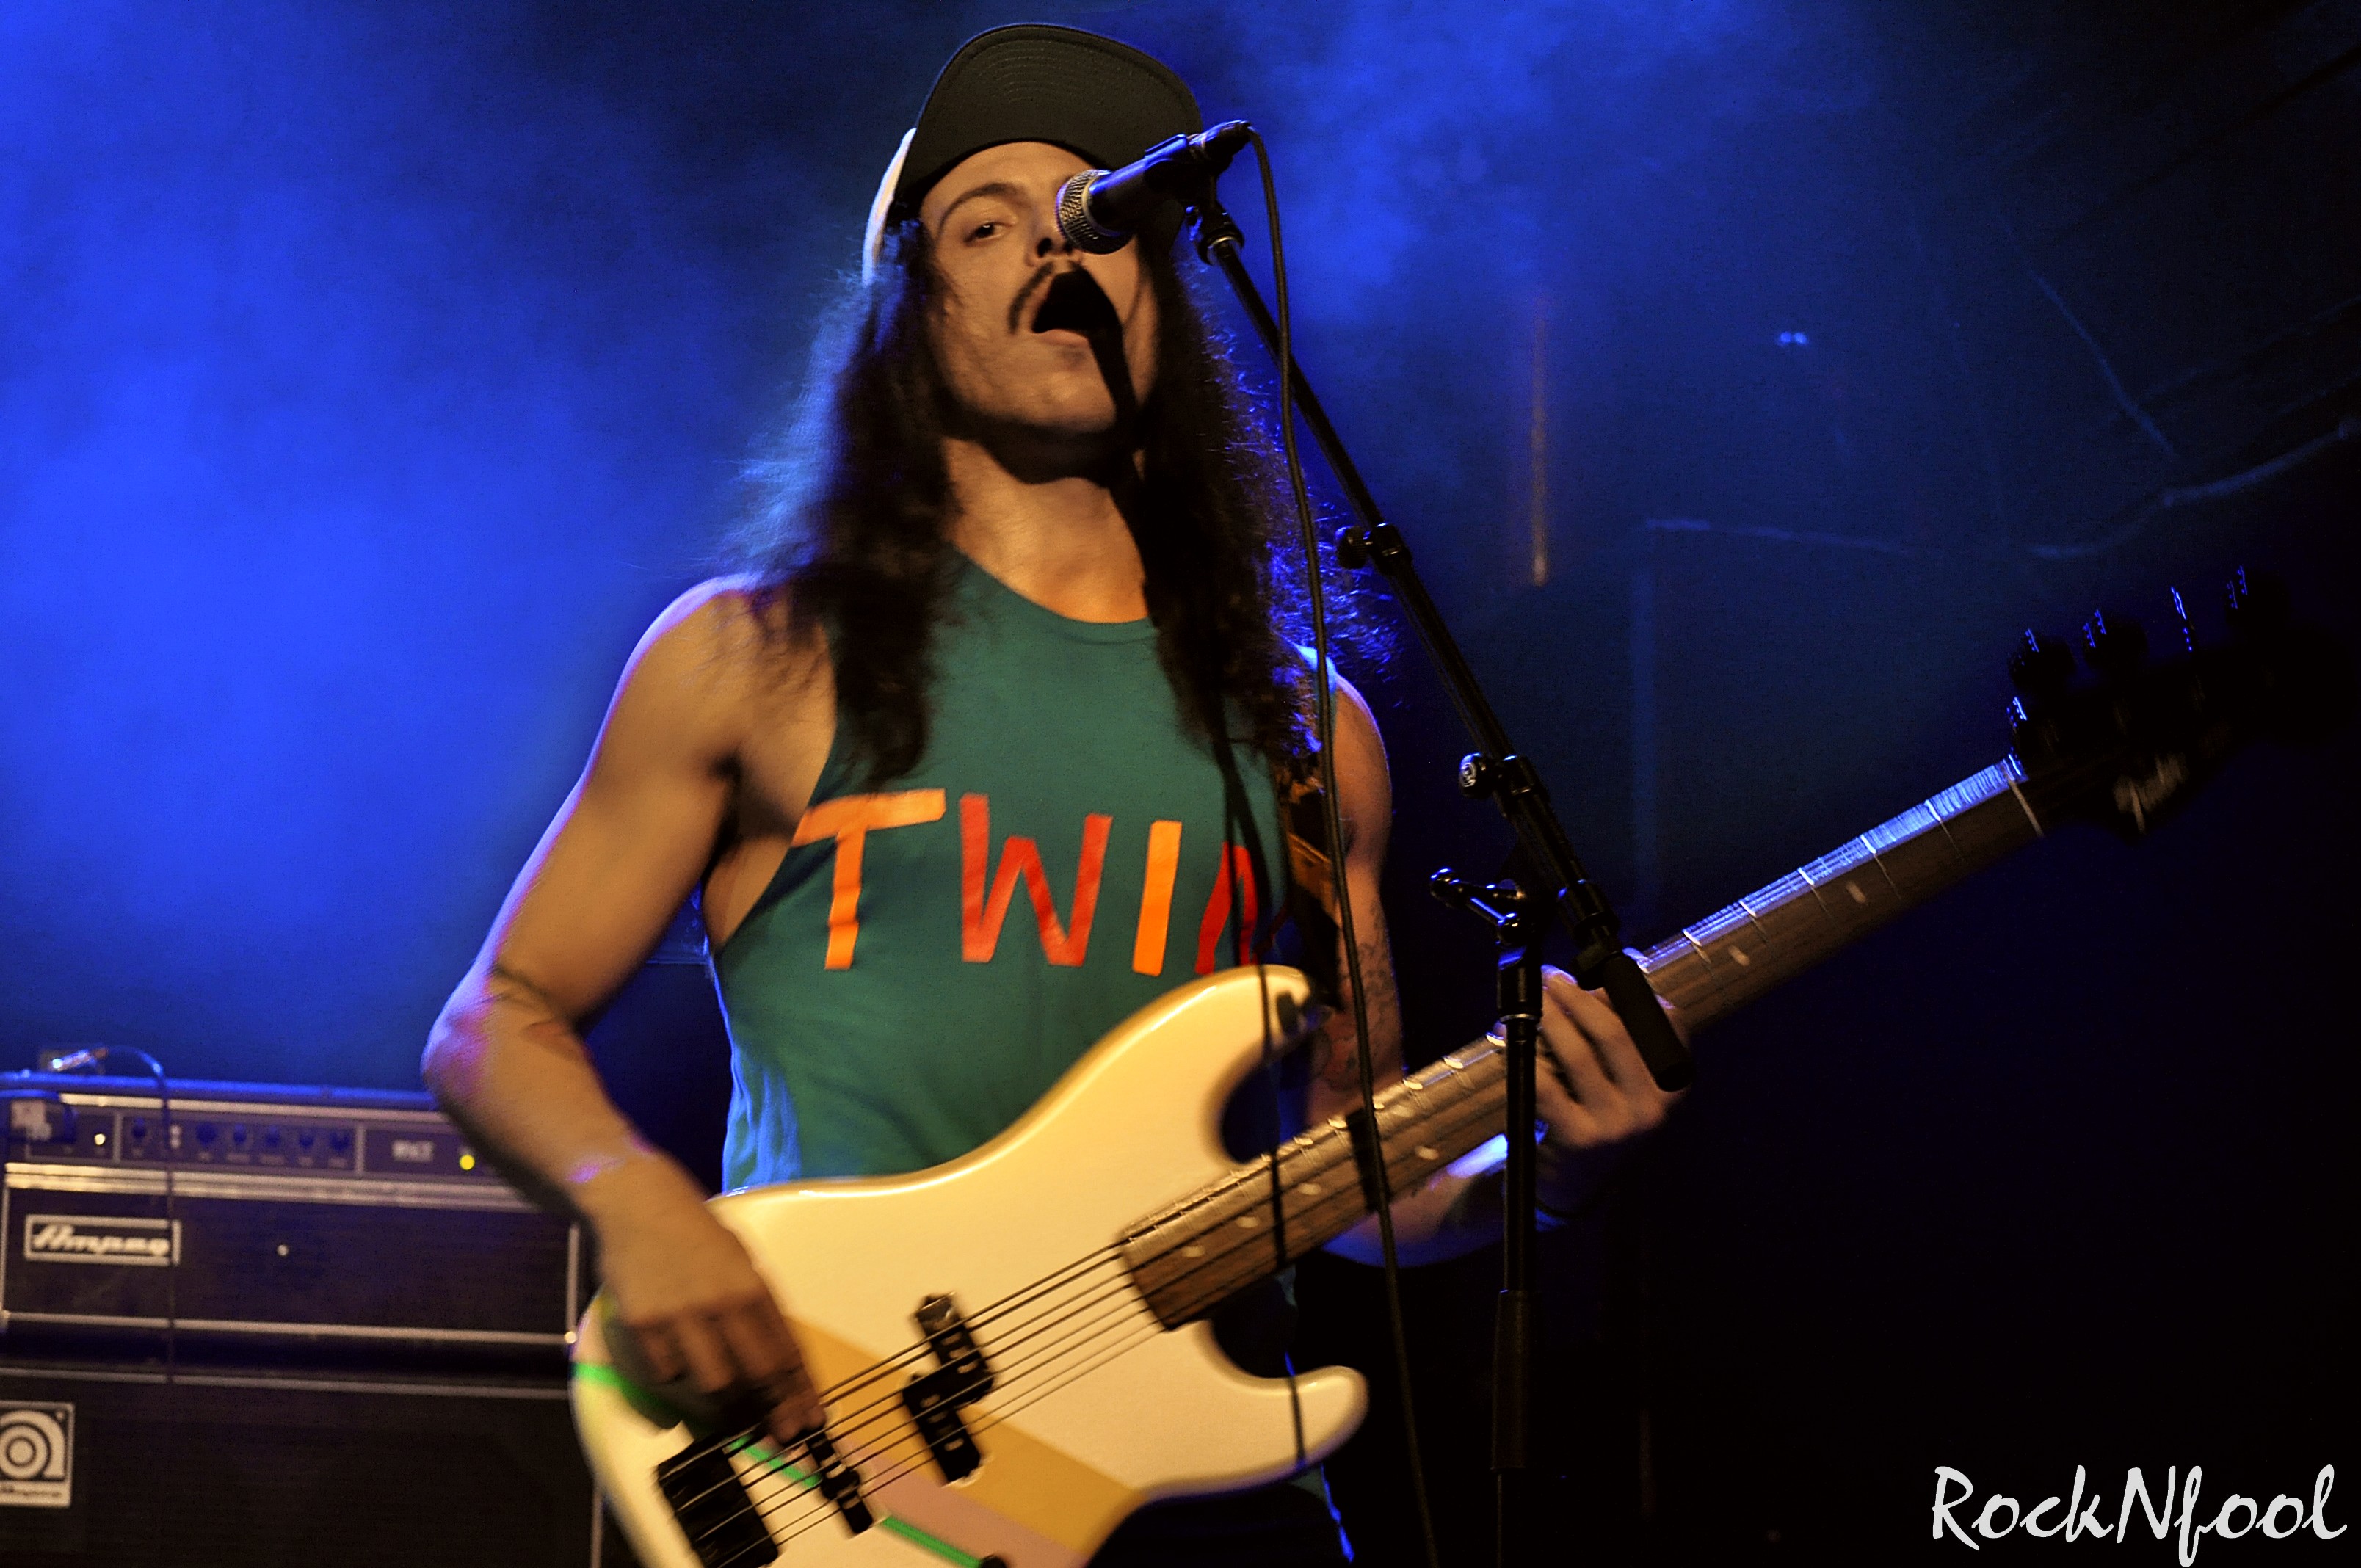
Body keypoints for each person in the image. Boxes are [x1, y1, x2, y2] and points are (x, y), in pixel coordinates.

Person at [422, 23, 1680, 1565]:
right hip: (858, 1468)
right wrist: (636, 1201)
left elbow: (1354, 1177)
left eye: (1102, 213)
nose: (1057, 245)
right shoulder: (754, 657)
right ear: (910, 308)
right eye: (986, 222)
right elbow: (497, 1019)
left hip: (1209, 1510)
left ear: (1166, 297)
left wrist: (1552, 1182)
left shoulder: (1308, 733)